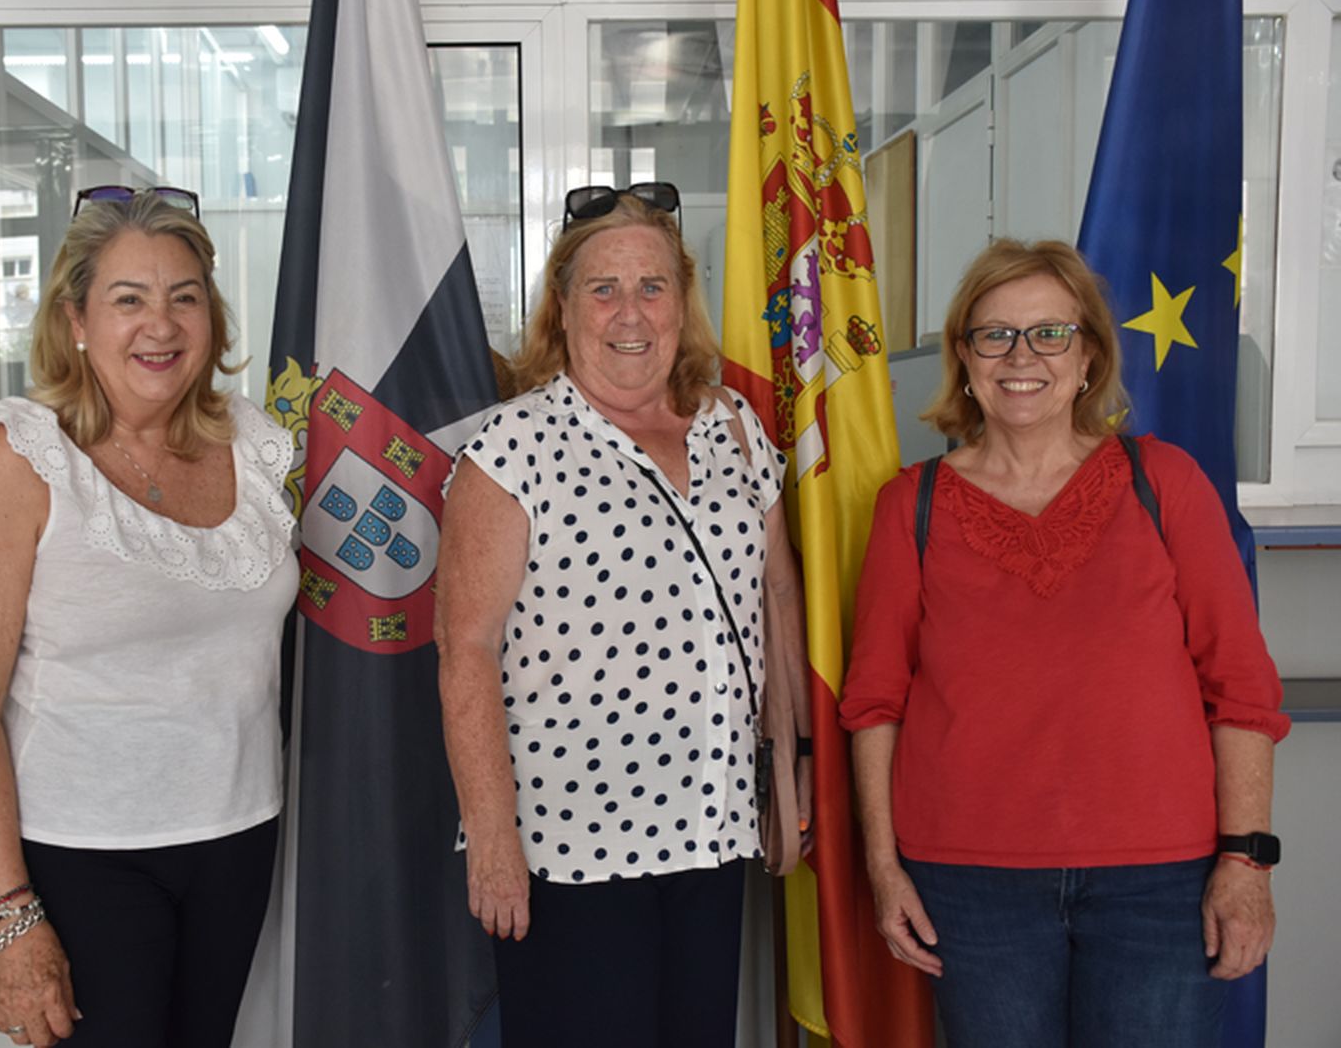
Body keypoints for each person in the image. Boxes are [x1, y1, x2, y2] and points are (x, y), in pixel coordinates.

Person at [839, 238, 1289, 1047]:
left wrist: (1246, 862)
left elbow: (1242, 688)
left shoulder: (1167, 481)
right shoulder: (912, 505)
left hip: (1163, 881)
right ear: (965, 360)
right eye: (996, 335)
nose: (1023, 357)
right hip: (972, 887)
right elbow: (875, 702)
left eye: (1050, 333)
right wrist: (881, 867)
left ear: (1087, 357)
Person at [436, 183, 810, 1048]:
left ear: (682, 301)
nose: (630, 312)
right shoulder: (510, 449)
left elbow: (777, 597)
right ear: (562, 310)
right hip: (568, 850)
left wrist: (790, 764)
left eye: (653, 286)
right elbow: (465, 652)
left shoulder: (736, 430)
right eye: (602, 289)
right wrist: (493, 841)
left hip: (711, 835)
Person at [0, 186, 299, 1048]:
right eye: (129, 299)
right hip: (80, 852)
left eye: (185, 297)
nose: (160, 326)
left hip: (237, 837)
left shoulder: (254, 442)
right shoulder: (16, 454)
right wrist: (7, 921)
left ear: (213, 315)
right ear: (76, 319)